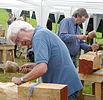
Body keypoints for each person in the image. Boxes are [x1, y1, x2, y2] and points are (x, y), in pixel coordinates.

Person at [7, 20, 83, 100]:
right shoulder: (41, 33)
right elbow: (50, 61)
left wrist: (21, 80)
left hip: (64, 87)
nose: (19, 44)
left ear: (23, 29)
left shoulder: (38, 37)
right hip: (66, 85)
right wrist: (33, 66)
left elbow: (42, 68)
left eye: (18, 40)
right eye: (17, 43)